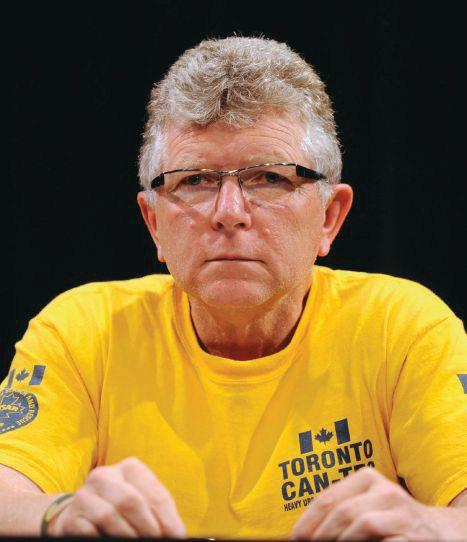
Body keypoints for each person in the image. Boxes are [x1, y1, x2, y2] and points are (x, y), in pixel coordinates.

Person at [0, 36, 466, 540]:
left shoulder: (403, 330)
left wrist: (432, 524)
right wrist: (59, 514)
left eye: (268, 178)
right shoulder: (84, 332)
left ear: (329, 217)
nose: (228, 213)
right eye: (194, 181)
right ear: (154, 224)